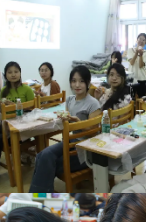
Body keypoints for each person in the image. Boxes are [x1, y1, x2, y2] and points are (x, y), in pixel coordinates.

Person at [29, 65, 101, 193]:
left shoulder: (93, 103)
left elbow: (94, 134)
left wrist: (78, 122)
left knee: (45, 161)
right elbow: (67, 124)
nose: (77, 85)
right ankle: (41, 195)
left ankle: (38, 196)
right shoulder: (69, 100)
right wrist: (65, 120)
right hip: (71, 142)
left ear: (88, 82)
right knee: (42, 156)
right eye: (73, 81)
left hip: (87, 150)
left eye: (81, 81)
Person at [127, 33, 146, 98]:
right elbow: (131, 62)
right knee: (130, 99)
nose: (141, 41)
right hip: (132, 78)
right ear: (137, 40)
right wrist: (136, 53)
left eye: (143, 40)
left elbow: (141, 65)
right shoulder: (130, 50)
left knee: (142, 98)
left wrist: (141, 55)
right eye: (140, 39)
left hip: (142, 78)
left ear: (145, 43)